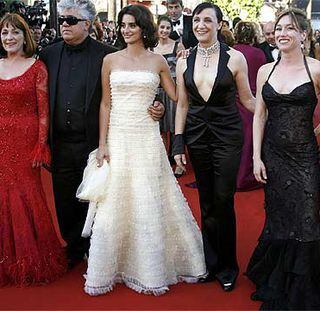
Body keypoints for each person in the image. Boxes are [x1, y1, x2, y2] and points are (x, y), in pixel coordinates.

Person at [246, 8, 320, 310]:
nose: (282, 33)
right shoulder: (265, 71)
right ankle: (280, 273)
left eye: (290, 28)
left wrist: (318, 129)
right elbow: (259, 115)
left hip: (304, 158)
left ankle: (306, 282)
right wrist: (256, 157)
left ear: (303, 34)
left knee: (306, 219)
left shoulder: (318, 70)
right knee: (279, 217)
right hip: (273, 155)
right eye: (279, 28)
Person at [85, 4, 206, 296]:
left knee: (148, 197)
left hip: (147, 137)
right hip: (118, 137)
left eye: (132, 25)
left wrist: (163, 103)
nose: (126, 30)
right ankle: (115, 265)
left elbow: (177, 95)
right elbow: (105, 103)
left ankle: (150, 267)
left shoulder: (158, 61)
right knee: (116, 200)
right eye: (123, 25)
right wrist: (102, 144)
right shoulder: (110, 60)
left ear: (143, 28)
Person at [39, 0, 164, 268]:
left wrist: (157, 105)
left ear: (86, 24)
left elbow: (131, 87)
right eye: (62, 20)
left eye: (71, 20)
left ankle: (94, 247)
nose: (64, 24)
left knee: (97, 197)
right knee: (63, 197)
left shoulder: (108, 55)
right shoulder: (48, 54)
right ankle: (73, 247)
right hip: (59, 140)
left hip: (94, 140)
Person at [173, 2, 255, 292]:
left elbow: (247, 99)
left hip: (228, 136)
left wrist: (277, 111)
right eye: (197, 20)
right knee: (206, 202)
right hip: (197, 135)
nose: (201, 25)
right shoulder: (184, 60)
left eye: (208, 20)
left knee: (223, 200)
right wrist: (178, 141)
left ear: (220, 25)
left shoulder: (235, 59)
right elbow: (182, 103)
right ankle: (211, 263)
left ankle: (228, 265)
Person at [0, 13, 66, 286]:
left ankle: (31, 258)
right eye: (4, 33)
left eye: (14, 32)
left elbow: (43, 112)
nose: (9, 38)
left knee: (26, 193)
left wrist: (41, 145)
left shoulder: (36, 67)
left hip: (25, 139)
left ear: (24, 35)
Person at [233, 21, 265, 191]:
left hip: (234, 101)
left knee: (236, 141)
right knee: (250, 139)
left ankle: (234, 175)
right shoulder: (259, 54)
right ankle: (247, 176)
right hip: (254, 100)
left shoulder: (230, 52)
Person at [153, 15, 184, 177]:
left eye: (167, 28)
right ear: (157, 28)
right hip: (156, 90)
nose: (164, 30)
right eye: (162, 27)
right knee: (160, 128)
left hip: (173, 89)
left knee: (174, 127)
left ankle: (179, 163)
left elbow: (183, 67)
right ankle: (164, 161)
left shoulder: (178, 46)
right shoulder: (152, 48)